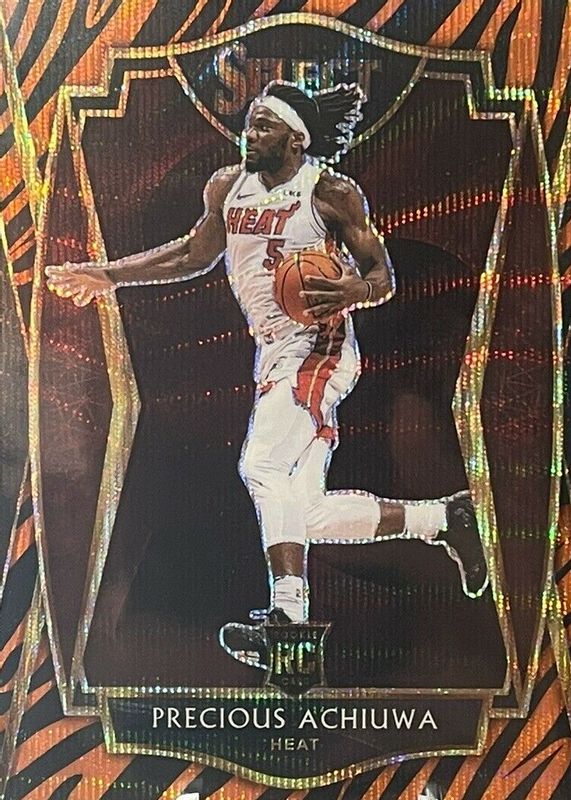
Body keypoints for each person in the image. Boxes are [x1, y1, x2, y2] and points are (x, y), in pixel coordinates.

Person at [47, 81, 488, 671]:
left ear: (295, 139)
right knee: (305, 515)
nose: (247, 135)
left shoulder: (329, 192)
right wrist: (109, 275)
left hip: (318, 348)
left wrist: (356, 289)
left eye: (262, 126)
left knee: (261, 466)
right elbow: (191, 255)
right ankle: (444, 519)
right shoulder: (227, 186)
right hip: (273, 351)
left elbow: (382, 277)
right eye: (249, 124)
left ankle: (289, 622)